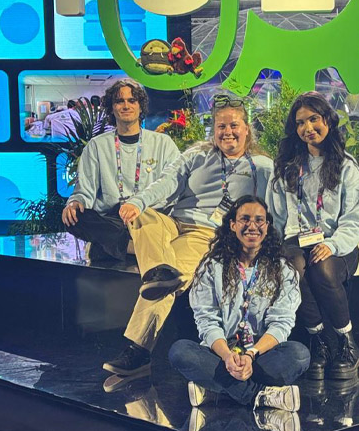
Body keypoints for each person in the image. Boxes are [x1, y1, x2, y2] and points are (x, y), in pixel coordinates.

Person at [102, 94, 274, 389]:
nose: (227, 132)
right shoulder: (197, 155)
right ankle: (159, 272)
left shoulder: (261, 166)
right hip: (170, 222)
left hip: (204, 232)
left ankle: (138, 350)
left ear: (247, 129)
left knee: (169, 277)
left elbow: (276, 206)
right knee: (144, 217)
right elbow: (166, 183)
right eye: (221, 126)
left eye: (234, 125)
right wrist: (138, 202)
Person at [168, 196, 309, 412]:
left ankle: (217, 390)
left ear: (267, 227)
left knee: (299, 355)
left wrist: (251, 355)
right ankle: (259, 395)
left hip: (261, 355)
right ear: (233, 225)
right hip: (221, 354)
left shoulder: (283, 269)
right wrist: (227, 356)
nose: (252, 226)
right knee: (180, 352)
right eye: (245, 219)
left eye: (259, 220)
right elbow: (207, 322)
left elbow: (281, 324)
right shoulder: (211, 267)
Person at [266, 91, 359, 381]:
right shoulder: (286, 167)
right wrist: (274, 249)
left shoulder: (347, 167)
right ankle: (318, 341)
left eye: (313, 119)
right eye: (300, 123)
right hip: (296, 241)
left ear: (328, 121)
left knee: (322, 267)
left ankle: (347, 343)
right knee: (292, 267)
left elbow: (355, 221)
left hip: (338, 242)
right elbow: (276, 218)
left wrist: (332, 245)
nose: (307, 128)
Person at [62, 79, 180, 261]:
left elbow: (173, 184)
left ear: (140, 106)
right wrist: (76, 202)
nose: (126, 106)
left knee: (155, 223)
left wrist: (139, 205)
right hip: (112, 219)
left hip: (149, 217)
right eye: (119, 101)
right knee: (74, 216)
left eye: (132, 100)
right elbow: (85, 190)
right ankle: (133, 247)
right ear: (112, 108)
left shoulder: (163, 143)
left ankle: (113, 245)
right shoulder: (97, 145)